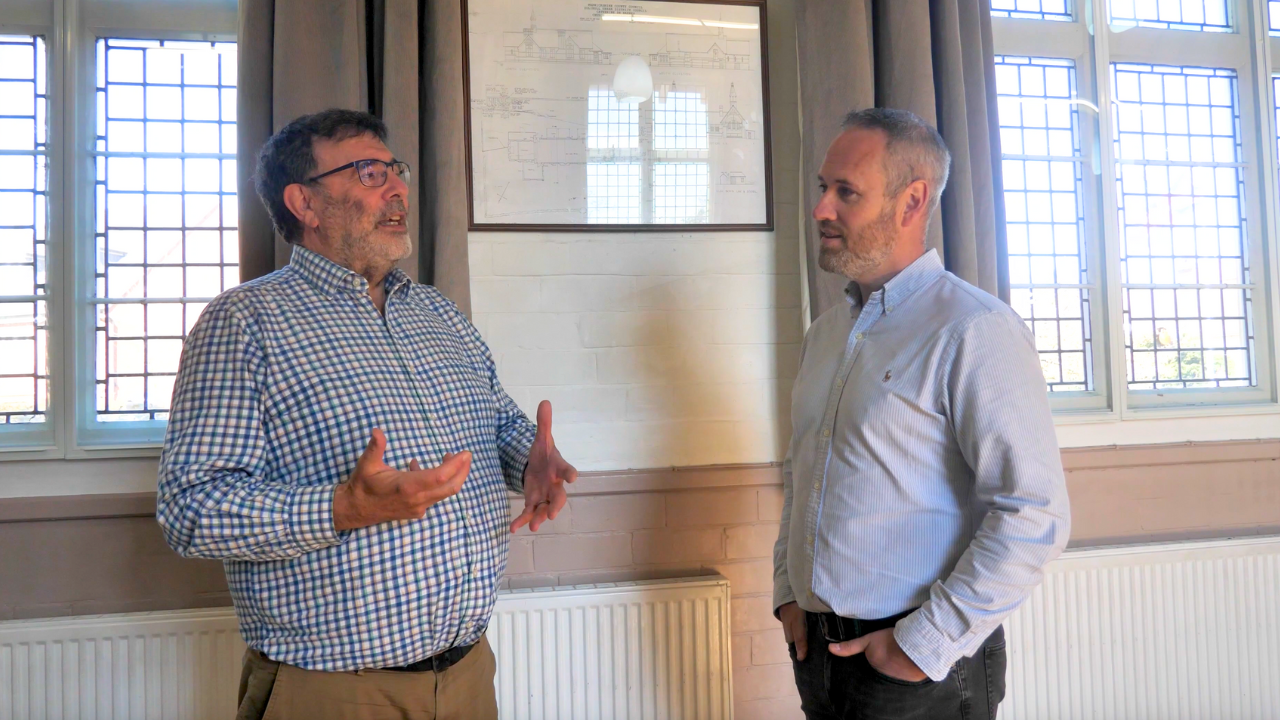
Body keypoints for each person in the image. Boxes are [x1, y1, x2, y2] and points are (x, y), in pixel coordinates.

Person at [156, 108, 576, 720]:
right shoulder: (244, 323)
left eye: (395, 170)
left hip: (467, 677)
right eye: (370, 173)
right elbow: (190, 510)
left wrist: (528, 462)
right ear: (304, 202)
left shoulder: (438, 313)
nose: (398, 187)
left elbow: (498, 425)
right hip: (332, 691)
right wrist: (343, 509)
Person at [773, 107, 1071, 720]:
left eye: (845, 192)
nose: (820, 208)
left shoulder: (976, 329)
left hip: (918, 669)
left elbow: (1034, 513)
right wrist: (788, 595)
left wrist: (921, 645)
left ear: (912, 201)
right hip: (818, 658)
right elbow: (802, 477)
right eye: (823, 188)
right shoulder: (824, 335)